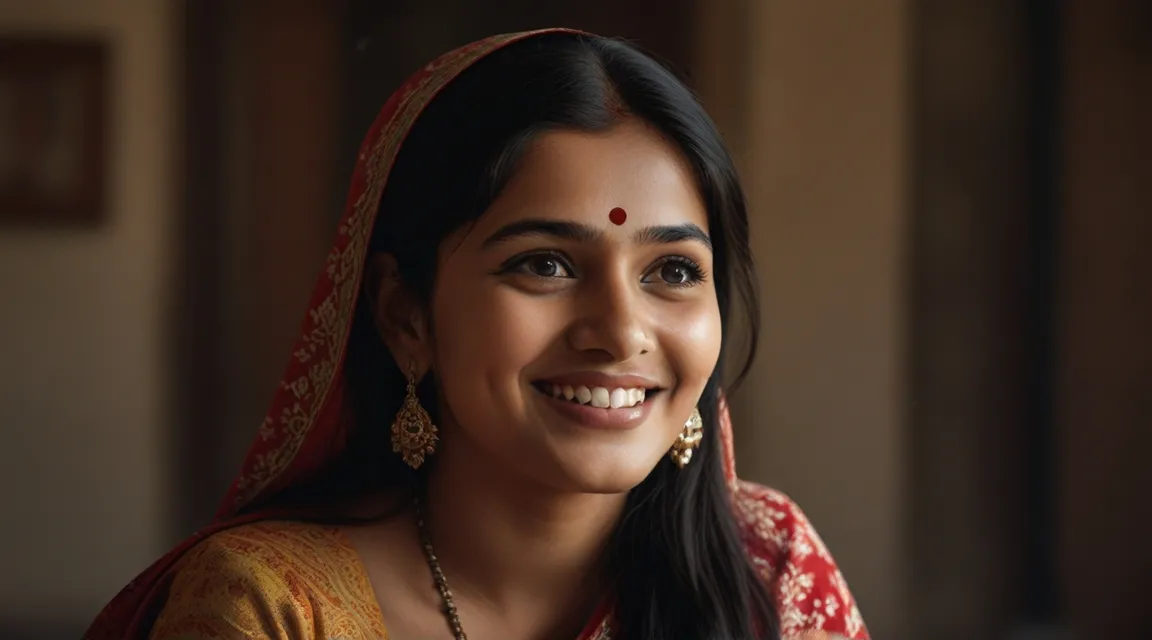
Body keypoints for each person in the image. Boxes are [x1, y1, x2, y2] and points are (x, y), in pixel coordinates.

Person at [85, 29, 869, 640]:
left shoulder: (767, 570)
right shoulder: (272, 609)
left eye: (671, 271)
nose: (620, 331)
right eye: (547, 264)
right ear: (406, 314)